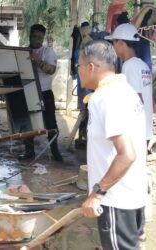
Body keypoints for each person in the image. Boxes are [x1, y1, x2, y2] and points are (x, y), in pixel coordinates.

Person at [79, 40, 147, 249]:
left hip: (116, 200)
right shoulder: (124, 90)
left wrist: (97, 193)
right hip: (131, 193)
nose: (79, 71)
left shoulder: (106, 97)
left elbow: (126, 155)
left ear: (90, 67)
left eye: (79, 66)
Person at [105, 22, 152, 242]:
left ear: (121, 43)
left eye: (114, 42)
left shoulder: (129, 67)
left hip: (133, 130)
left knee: (131, 179)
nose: (114, 47)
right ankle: (139, 227)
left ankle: (136, 228)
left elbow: (135, 99)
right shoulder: (142, 65)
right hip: (143, 129)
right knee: (138, 177)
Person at [18, 24, 62, 161]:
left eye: (39, 37)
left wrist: (36, 59)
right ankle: (29, 151)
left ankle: (55, 151)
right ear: (30, 36)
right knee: (27, 124)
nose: (36, 39)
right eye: (34, 36)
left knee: (50, 123)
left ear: (43, 38)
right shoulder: (23, 51)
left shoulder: (47, 52)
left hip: (45, 93)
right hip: (27, 92)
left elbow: (51, 70)